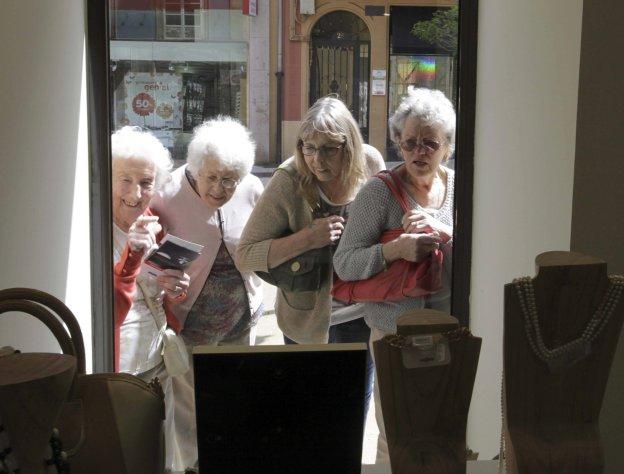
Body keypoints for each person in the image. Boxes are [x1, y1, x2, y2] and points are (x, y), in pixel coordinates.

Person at [236, 96, 385, 414]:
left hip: (362, 319)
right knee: (306, 417)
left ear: (350, 145)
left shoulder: (371, 166)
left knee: (350, 416)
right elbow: (246, 255)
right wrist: (307, 238)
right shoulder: (289, 180)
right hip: (306, 322)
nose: (317, 160)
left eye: (329, 148)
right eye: (308, 147)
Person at [333, 87, 456, 461]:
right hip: (394, 333)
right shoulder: (378, 193)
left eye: (430, 144)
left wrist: (443, 231)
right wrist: (395, 249)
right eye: (409, 143)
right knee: (396, 433)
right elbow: (344, 263)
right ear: (397, 143)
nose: (419, 152)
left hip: (451, 330)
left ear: (447, 146)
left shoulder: (459, 187)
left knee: (441, 429)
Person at [149, 115, 264, 468]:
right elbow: (147, 258)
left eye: (229, 180)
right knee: (189, 411)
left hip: (240, 321)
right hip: (187, 323)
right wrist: (161, 276)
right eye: (211, 177)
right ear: (195, 168)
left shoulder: (252, 190)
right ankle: (193, 467)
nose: (219, 189)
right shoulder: (166, 195)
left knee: (233, 400)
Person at [111, 126, 191, 471]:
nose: (136, 193)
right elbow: (109, 311)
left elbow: (158, 294)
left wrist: (175, 287)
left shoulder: (152, 224)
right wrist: (130, 260)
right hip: (118, 370)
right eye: (124, 180)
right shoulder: (94, 230)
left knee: (161, 455)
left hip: (157, 363)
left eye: (145, 182)